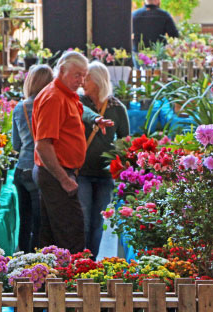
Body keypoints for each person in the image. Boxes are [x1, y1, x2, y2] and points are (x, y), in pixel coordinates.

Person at [32, 51, 112, 253]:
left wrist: (95, 119)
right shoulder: (53, 97)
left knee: (53, 236)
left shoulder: (66, 94)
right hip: (57, 174)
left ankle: (52, 278)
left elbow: (79, 112)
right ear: (62, 70)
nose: (81, 81)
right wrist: (64, 179)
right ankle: (74, 281)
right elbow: (43, 145)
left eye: (84, 76)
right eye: (77, 75)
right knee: (72, 235)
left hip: (62, 172)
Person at [78, 61, 130, 260]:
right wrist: (96, 119)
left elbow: (126, 142)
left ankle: (91, 260)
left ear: (98, 81)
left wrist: (122, 166)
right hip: (81, 172)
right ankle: (80, 260)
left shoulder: (117, 108)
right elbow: (84, 113)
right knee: (83, 220)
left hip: (105, 175)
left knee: (98, 222)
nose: (83, 82)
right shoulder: (80, 102)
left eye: (87, 78)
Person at [12, 64, 53, 254]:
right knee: (39, 221)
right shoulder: (49, 105)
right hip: (40, 168)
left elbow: (16, 145)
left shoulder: (20, 107)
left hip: (22, 169)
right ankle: (35, 261)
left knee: (25, 220)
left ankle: (20, 259)